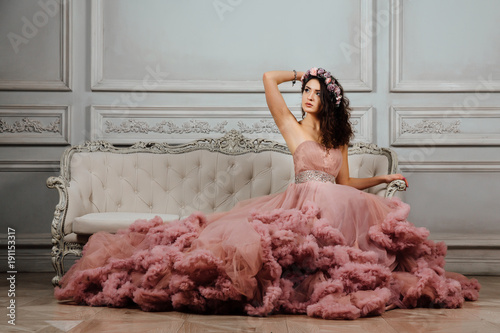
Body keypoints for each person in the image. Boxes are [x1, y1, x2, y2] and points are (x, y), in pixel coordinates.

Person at [54, 68, 480, 320]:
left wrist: (386, 178)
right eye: (305, 91)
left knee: (359, 216)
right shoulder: (291, 126)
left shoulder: (339, 138)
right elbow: (267, 80)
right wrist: (305, 71)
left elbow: (347, 183)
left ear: (330, 102)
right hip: (301, 202)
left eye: (316, 92)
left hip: (339, 200)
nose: (308, 97)